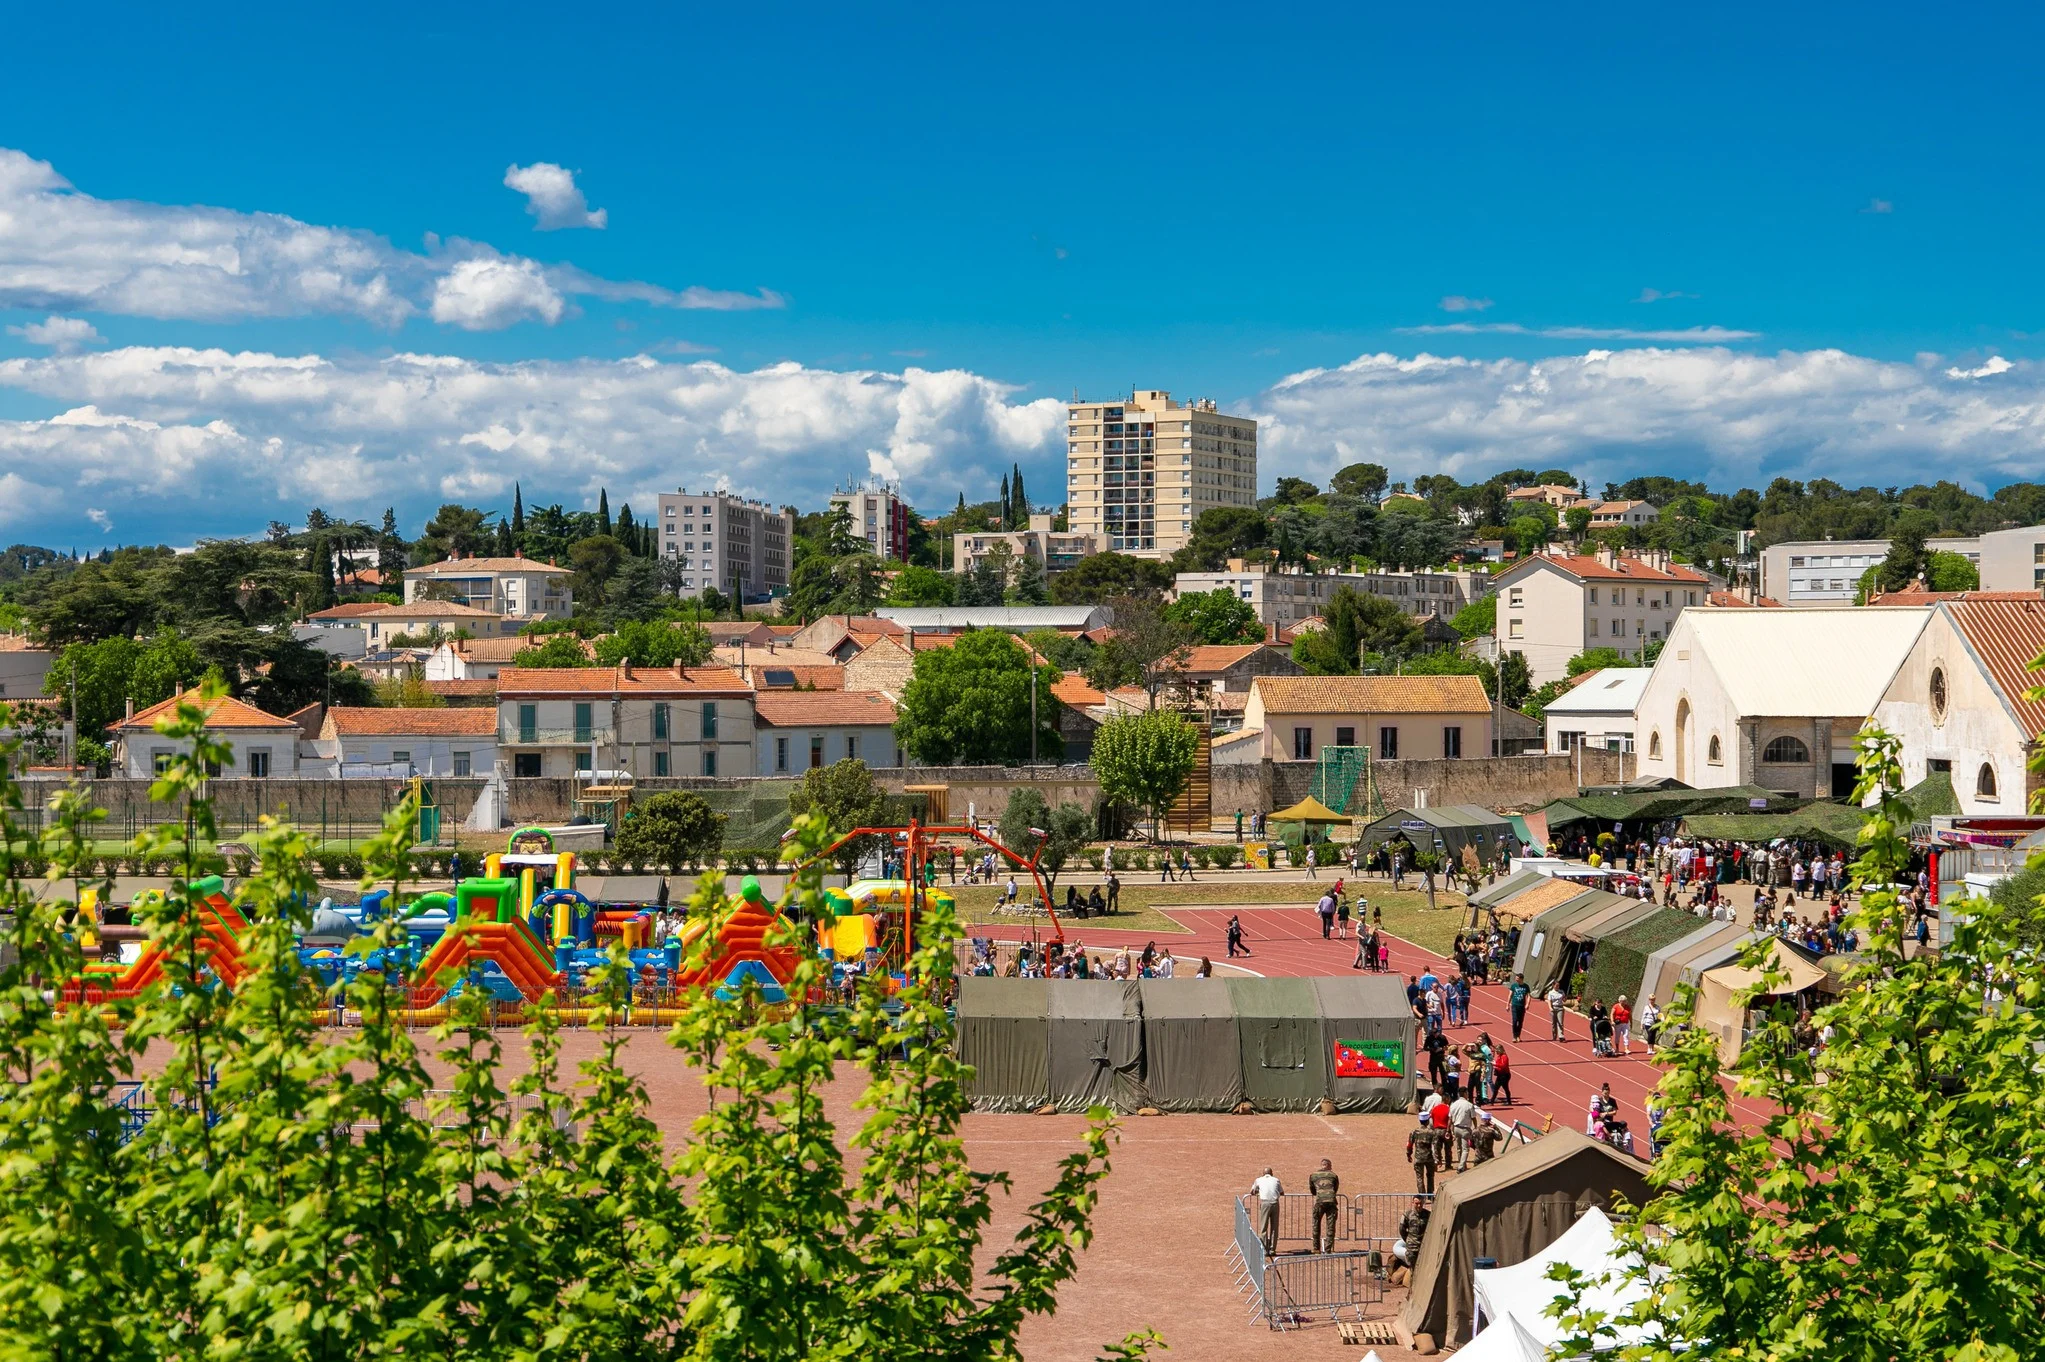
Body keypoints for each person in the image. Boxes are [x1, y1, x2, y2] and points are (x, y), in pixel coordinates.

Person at [1308, 1158, 1341, 1252]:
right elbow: (1335, 1188)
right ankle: (1328, 1249)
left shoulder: (1313, 1175)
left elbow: (1312, 1190)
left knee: (1316, 1224)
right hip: (1331, 1202)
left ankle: (1316, 1248)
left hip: (1320, 1202)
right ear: (1329, 1166)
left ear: (1322, 1165)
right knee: (1330, 1226)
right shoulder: (1333, 1175)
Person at [1393, 1195, 1430, 1276]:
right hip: (1412, 1248)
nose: (1419, 1206)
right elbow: (1402, 1229)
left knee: (1425, 1269)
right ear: (1413, 1203)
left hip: (1424, 1246)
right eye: (1417, 1203)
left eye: (1421, 1203)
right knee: (1413, 1271)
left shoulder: (1428, 1215)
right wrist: (1409, 1240)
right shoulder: (1407, 1215)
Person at [1250, 1167, 1283, 1253]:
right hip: (1275, 1203)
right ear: (1272, 1173)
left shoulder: (1258, 1180)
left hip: (1265, 1203)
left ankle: (1264, 1248)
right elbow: (1282, 1192)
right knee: (1274, 1227)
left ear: (1263, 1173)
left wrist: (1258, 1191)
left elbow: (1252, 1191)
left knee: (1264, 1226)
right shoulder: (1276, 1180)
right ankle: (1272, 1249)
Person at [1406, 1117, 1437, 1193]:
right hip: (1429, 1158)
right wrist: (1437, 1159)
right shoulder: (1432, 1132)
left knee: (1419, 1177)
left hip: (1418, 1157)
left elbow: (1409, 1144)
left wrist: (1409, 1154)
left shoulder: (1414, 1132)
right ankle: (1430, 1195)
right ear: (1427, 1121)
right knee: (1430, 1176)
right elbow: (1435, 1147)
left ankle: (1421, 1195)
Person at [1449, 1090, 1478, 1170]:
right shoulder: (1469, 1105)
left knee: (1459, 1148)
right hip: (1465, 1129)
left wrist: (1450, 1130)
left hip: (1456, 1128)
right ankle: (1461, 1166)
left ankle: (1462, 1164)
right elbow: (1473, 1118)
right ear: (1465, 1093)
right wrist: (1475, 1127)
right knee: (1465, 1149)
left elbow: (1450, 1119)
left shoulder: (1453, 1105)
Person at [1507, 972, 1530, 1042]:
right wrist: (1507, 1004)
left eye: (1517, 978)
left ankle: (1518, 1036)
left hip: (1522, 1006)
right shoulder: (1514, 986)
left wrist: (1527, 1004)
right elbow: (1510, 995)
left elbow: (1528, 996)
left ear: (1521, 979)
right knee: (1514, 1021)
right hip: (1514, 1005)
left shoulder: (1526, 986)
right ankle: (1514, 1036)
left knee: (1520, 1021)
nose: (1516, 979)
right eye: (1516, 978)